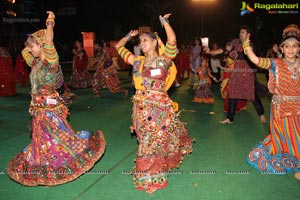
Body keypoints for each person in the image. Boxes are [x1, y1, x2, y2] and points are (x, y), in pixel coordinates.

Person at [6, 11, 106, 186]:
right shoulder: (34, 62)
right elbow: (23, 52)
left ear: (43, 45)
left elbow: (49, 42)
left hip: (50, 109)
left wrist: (50, 23)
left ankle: (60, 156)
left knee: (58, 137)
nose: (30, 49)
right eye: (30, 47)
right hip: (37, 109)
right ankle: (45, 155)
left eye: (33, 46)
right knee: (42, 138)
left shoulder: (51, 61)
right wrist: (30, 42)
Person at [115, 13, 192, 194]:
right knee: (144, 140)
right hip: (140, 108)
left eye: (145, 40)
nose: (142, 44)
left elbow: (172, 39)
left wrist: (164, 22)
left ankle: (154, 175)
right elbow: (118, 47)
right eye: (140, 41)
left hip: (159, 109)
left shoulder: (164, 60)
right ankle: (149, 173)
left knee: (153, 142)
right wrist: (128, 36)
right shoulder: (137, 61)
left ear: (155, 42)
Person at [243, 24, 300, 179]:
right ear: (281, 48)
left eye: (294, 46)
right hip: (280, 108)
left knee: (297, 135)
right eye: (287, 46)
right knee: (283, 136)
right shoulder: (276, 63)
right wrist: (246, 44)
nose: (291, 50)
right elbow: (255, 60)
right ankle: (291, 158)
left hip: (298, 108)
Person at [206, 25, 266, 124]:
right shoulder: (235, 42)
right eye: (240, 32)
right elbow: (224, 49)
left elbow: (246, 56)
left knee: (253, 95)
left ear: (248, 35)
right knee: (232, 93)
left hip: (247, 74)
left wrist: (232, 51)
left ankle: (262, 114)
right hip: (236, 73)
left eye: (242, 32)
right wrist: (210, 52)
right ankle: (230, 118)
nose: (240, 34)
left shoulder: (251, 45)